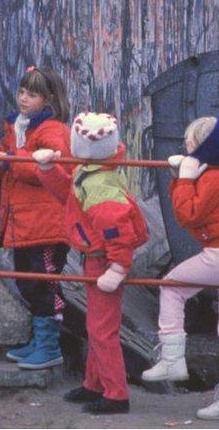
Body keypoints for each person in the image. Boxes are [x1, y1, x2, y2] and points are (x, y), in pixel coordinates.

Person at [141, 116, 219, 421]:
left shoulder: (215, 176)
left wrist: (182, 179)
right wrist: (181, 177)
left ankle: (171, 358)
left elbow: (187, 215)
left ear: (206, 146)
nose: (186, 145)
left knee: (171, 286)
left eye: (192, 141)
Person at [32, 112, 149, 415]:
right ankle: (95, 384)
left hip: (103, 261)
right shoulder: (94, 171)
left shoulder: (98, 184)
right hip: (99, 259)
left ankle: (115, 393)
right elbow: (70, 196)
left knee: (102, 329)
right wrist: (48, 169)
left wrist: (118, 267)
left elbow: (116, 230)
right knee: (98, 325)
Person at [0, 66, 72, 370]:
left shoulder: (53, 131)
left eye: (32, 94)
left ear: (49, 99)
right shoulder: (19, 128)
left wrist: (9, 161)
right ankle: (39, 340)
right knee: (28, 283)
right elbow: (8, 165)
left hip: (46, 225)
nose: (23, 99)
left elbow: (47, 170)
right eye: (22, 91)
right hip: (25, 224)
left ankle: (50, 346)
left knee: (44, 285)